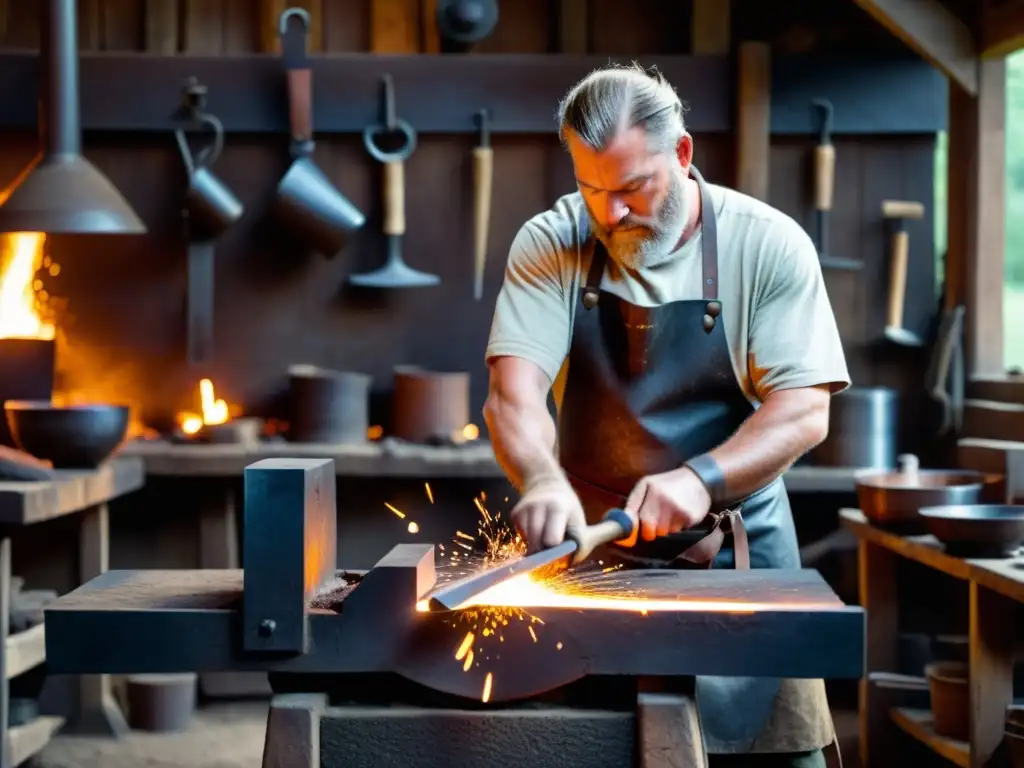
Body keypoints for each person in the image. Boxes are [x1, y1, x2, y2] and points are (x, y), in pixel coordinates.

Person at [483, 63, 851, 767]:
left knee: (773, 755)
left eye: (630, 189)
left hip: (738, 562)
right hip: (591, 557)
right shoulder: (552, 241)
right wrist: (539, 478)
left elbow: (804, 411)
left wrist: (701, 479)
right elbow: (514, 395)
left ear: (681, 155)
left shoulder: (765, 245)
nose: (609, 214)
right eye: (592, 189)